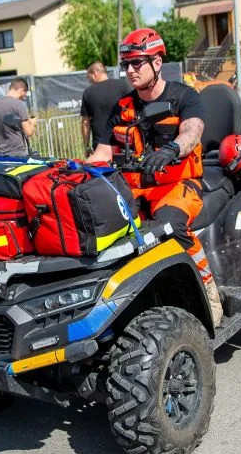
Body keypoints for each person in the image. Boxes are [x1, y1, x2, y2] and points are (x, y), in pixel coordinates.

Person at [88, 28, 223, 326]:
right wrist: (72, 171)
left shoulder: (184, 97)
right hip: (135, 191)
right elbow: (102, 153)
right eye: (126, 65)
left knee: (170, 225)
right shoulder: (122, 108)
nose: (130, 70)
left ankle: (208, 289)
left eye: (138, 63)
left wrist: (173, 148)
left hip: (178, 186)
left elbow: (192, 131)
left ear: (157, 63)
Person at [80, 62, 128, 157]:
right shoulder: (123, 85)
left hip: (100, 146)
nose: (89, 81)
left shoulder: (88, 92)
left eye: (88, 77)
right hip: (124, 141)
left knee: (104, 171)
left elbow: (85, 123)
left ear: (95, 74)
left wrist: (86, 147)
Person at [0, 77, 36, 156]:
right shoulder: (18, 104)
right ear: (21, 90)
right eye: (25, 93)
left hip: (1, 155)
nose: (24, 97)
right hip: (18, 154)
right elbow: (28, 132)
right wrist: (32, 123)